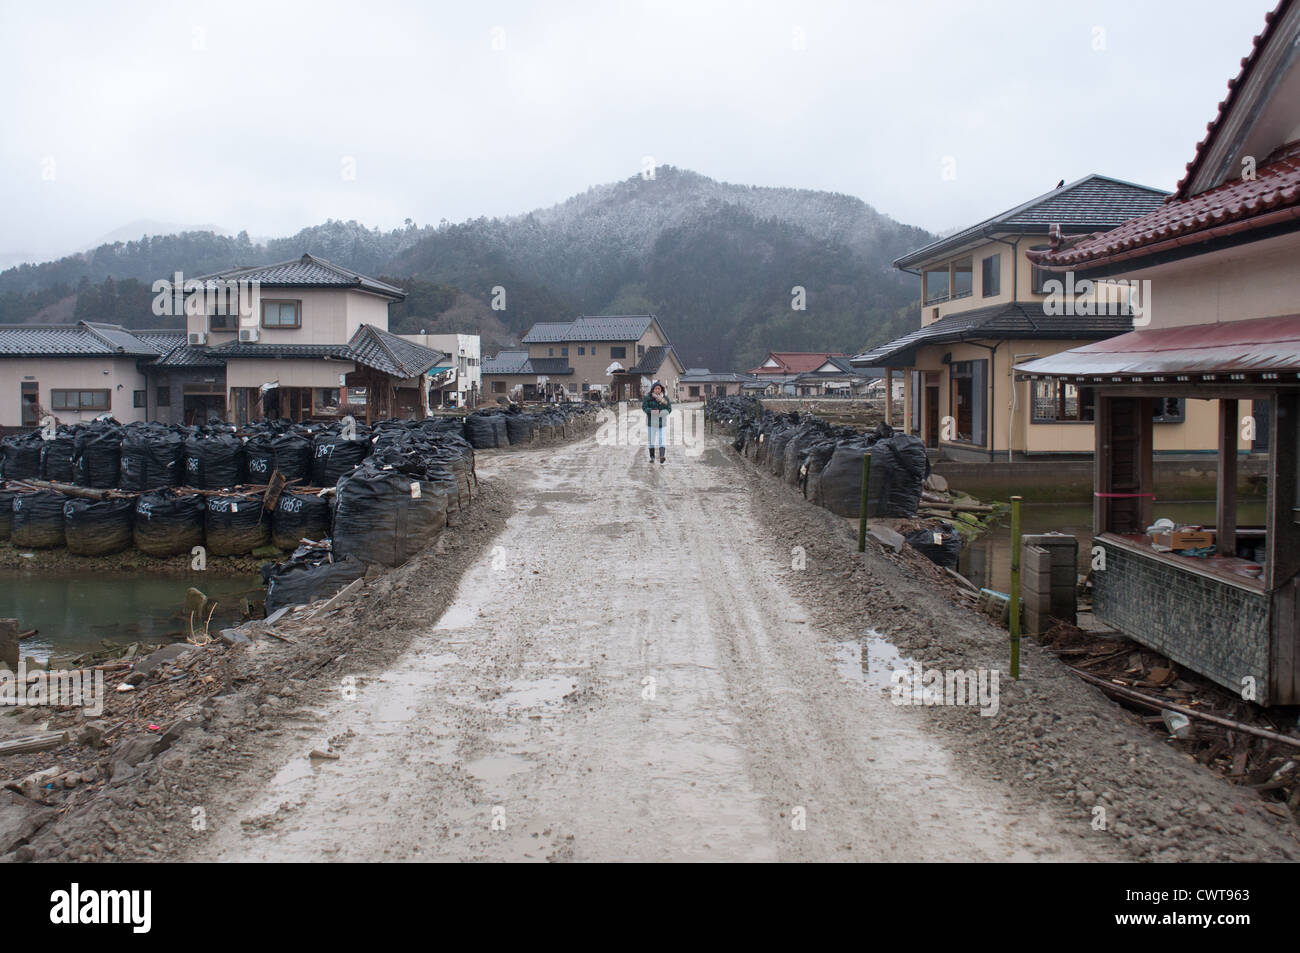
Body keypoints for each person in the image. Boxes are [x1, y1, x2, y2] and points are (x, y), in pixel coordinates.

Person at [641, 381, 671, 463]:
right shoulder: (648, 397)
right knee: (651, 440)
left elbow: (669, 409)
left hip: (662, 422)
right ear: (653, 389)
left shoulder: (665, 398)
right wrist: (652, 411)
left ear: (661, 390)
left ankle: (662, 456)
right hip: (651, 422)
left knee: (662, 439)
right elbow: (644, 408)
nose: (657, 390)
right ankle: (652, 457)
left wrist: (662, 413)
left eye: (659, 389)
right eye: (656, 388)